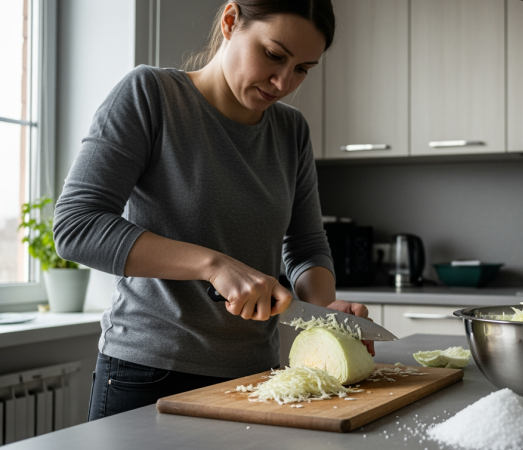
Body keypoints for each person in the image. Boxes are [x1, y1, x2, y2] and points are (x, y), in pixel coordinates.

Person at [53, 0, 369, 421]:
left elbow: (306, 243)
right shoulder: (151, 96)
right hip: (148, 375)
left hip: (256, 376)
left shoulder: (291, 131)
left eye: (302, 69)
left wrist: (324, 311)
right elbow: (77, 226)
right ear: (230, 21)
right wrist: (212, 264)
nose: (282, 81)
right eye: (273, 55)